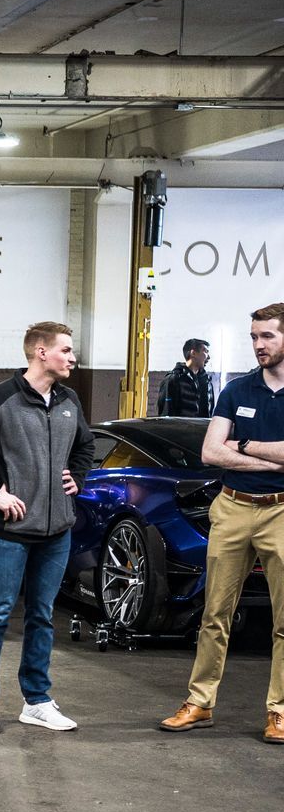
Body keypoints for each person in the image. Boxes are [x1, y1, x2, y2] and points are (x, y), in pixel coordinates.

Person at [0, 320, 94, 735]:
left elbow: (86, 446)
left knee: (42, 616)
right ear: (41, 352)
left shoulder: (69, 400)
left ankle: (37, 701)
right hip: (10, 530)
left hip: (57, 529)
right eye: (66, 350)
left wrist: (77, 475)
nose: (72, 358)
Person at [160, 303, 284, 742]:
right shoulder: (237, 390)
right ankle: (199, 702)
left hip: (281, 512)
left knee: (283, 619)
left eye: (267, 336)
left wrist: (246, 444)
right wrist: (270, 457)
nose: (258, 345)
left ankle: (279, 712)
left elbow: (231, 445)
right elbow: (211, 452)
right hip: (232, 508)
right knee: (215, 612)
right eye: (254, 336)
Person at [158, 339, 215, 417]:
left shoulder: (207, 381)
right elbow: (166, 414)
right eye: (205, 351)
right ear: (193, 353)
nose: (208, 357)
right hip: (181, 429)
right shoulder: (173, 380)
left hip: (203, 429)